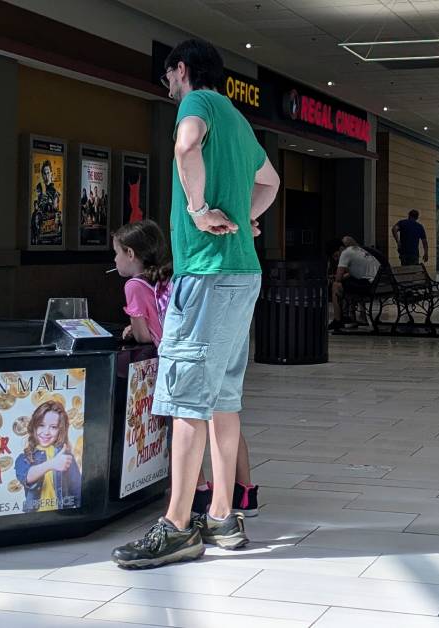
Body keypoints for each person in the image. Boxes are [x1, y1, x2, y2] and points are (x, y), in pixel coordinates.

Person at [112, 38, 281, 570]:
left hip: (205, 273)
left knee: (187, 399)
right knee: (224, 399)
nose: (168, 85)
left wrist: (198, 207)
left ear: (181, 69)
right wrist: (247, 217)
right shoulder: (238, 118)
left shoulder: (198, 103)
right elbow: (270, 181)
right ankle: (224, 517)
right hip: (242, 274)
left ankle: (178, 525)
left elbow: (186, 147)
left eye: (168, 76)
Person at [113, 219, 259, 516]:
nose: (114, 260)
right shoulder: (169, 274)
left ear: (130, 253)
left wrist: (131, 329)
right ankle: (243, 493)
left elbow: (143, 335)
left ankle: (197, 494)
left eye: (116, 253)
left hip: (179, 353)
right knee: (223, 412)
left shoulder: (135, 285)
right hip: (217, 324)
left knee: (184, 420)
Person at [14, 401, 82, 512]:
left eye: (53, 427)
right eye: (41, 425)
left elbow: (78, 490)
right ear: (34, 426)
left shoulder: (66, 456)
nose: (46, 432)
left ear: (60, 430)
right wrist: (52, 464)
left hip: (63, 516)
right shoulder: (24, 457)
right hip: (34, 518)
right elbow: (26, 477)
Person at [329, 236, 381, 331]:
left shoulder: (345, 253)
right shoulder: (358, 250)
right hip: (379, 284)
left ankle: (337, 320)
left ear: (341, 248)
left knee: (336, 286)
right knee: (347, 284)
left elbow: (338, 279)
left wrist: (336, 277)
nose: (336, 259)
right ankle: (347, 317)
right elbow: (354, 273)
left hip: (370, 287)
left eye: (336, 256)